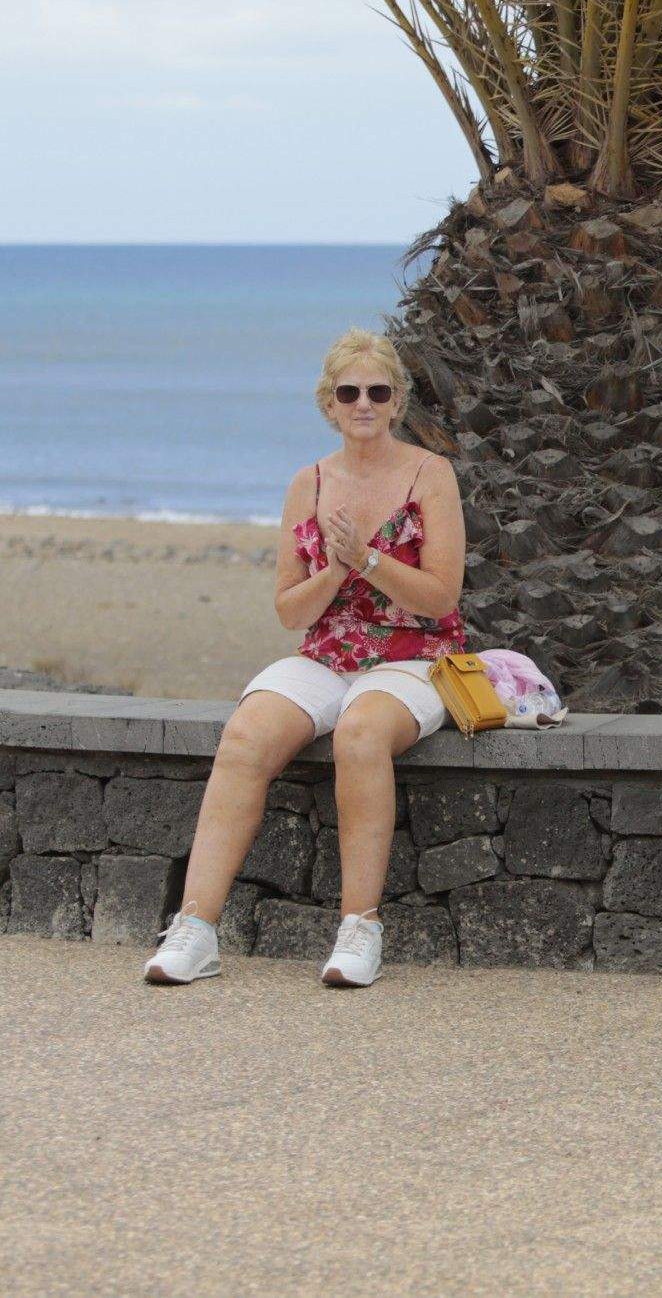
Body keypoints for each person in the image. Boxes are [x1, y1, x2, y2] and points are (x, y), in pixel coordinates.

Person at [143, 328, 467, 991]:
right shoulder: (309, 483)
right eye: (350, 392)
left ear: (399, 400)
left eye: (379, 391)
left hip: (414, 653)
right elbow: (290, 610)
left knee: (360, 732)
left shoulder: (431, 475)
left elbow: (440, 597)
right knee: (245, 735)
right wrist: (337, 571)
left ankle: (360, 926)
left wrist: (371, 561)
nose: (364, 403)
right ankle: (196, 927)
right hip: (329, 649)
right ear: (329, 404)